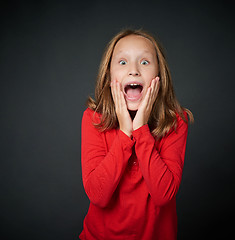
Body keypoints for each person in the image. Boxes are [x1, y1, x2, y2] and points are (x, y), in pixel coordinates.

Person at [79, 29, 194, 240]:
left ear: (159, 75)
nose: (133, 71)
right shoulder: (94, 119)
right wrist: (125, 133)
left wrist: (141, 130)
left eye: (144, 62)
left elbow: (163, 195)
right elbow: (98, 195)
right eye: (123, 62)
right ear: (109, 75)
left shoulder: (176, 122)